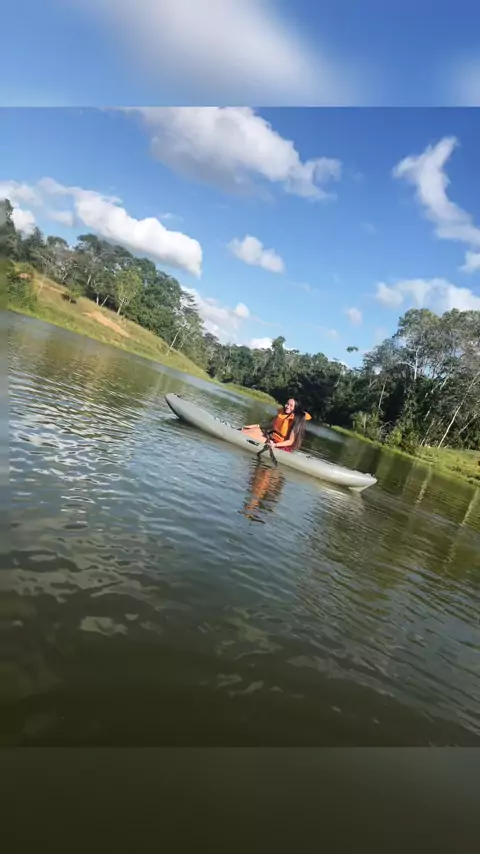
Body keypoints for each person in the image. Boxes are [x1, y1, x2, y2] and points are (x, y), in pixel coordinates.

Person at [242, 398, 310, 452]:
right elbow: (271, 425)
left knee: (245, 433)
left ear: (296, 408)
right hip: (272, 439)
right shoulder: (282, 414)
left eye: (291, 405)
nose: (287, 406)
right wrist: (254, 426)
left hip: (281, 446)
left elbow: (290, 441)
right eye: (287, 404)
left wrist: (275, 445)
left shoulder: (296, 420)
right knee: (248, 430)